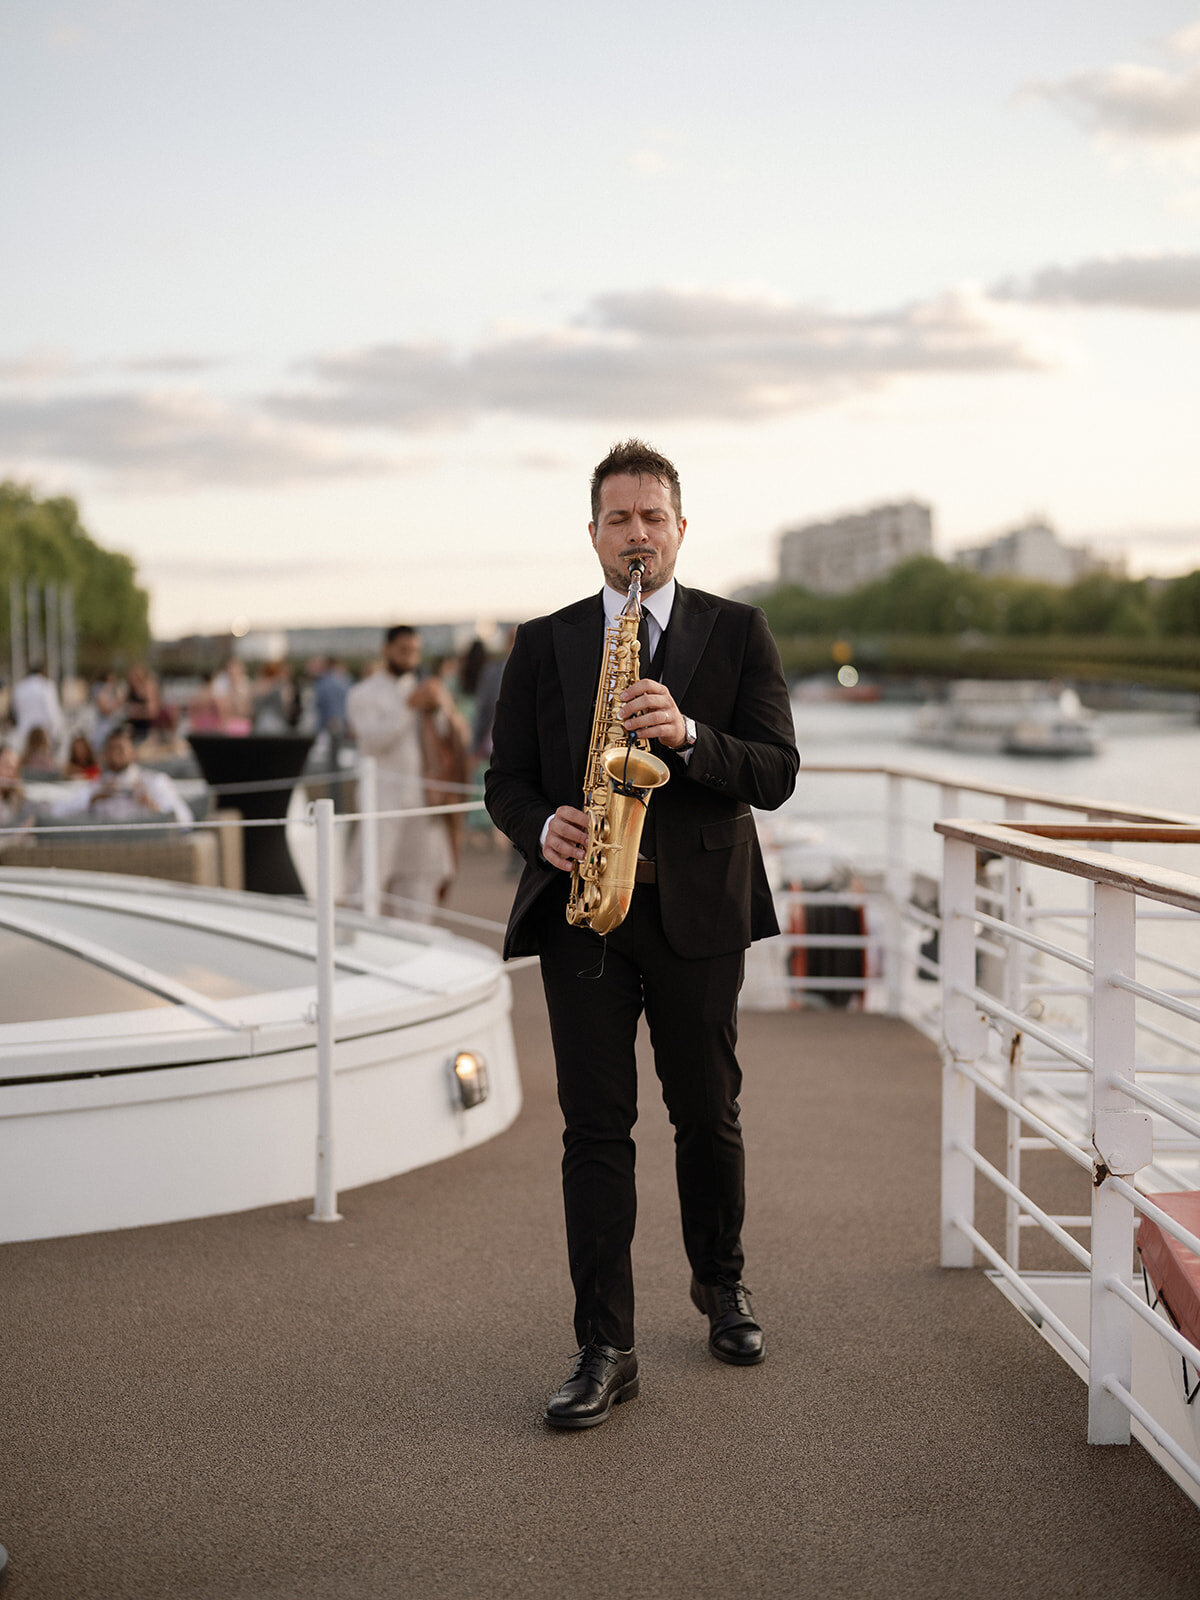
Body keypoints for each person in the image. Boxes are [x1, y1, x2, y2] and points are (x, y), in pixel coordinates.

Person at [485, 438, 799, 1430]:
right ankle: (604, 1345)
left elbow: (777, 770)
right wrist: (545, 825)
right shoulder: (543, 642)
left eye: (652, 517)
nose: (636, 535)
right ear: (593, 534)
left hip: (699, 911)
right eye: (617, 519)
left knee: (708, 1112)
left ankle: (723, 1281)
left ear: (680, 528)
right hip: (588, 912)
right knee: (593, 1131)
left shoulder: (739, 630)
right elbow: (505, 780)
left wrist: (694, 735)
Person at [345, 625, 456, 913]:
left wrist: (440, 705)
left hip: (422, 800)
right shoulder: (363, 694)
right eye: (403, 650)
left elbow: (449, 738)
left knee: (421, 879)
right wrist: (409, 707)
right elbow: (370, 741)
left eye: (415, 651)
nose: (410, 657)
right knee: (370, 877)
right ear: (387, 649)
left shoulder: (426, 689)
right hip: (382, 801)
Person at [56, 727, 193, 827]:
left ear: (132, 752)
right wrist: (93, 799)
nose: (115, 753)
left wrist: (151, 805)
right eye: (110, 749)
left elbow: (185, 820)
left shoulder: (154, 782)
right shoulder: (96, 786)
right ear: (104, 754)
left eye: (120, 748)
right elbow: (57, 813)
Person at [11, 663, 63, 751]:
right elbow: (52, 711)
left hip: (24, 732)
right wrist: (56, 732)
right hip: (43, 733)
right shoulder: (46, 686)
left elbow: (15, 711)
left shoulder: (19, 687)